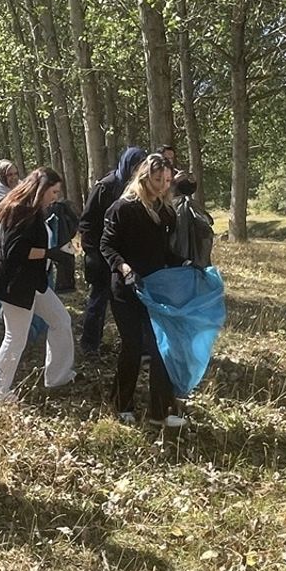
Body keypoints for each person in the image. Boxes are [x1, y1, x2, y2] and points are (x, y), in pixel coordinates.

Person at [101, 153, 189, 428]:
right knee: (133, 347)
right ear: (144, 177)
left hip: (155, 290)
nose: (163, 185)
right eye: (157, 179)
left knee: (161, 348)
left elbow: (162, 252)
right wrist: (123, 267)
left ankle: (159, 412)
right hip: (126, 290)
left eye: (166, 180)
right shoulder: (123, 208)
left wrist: (184, 263)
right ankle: (120, 403)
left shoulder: (164, 211)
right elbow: (107, 245)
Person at [0, 167, 76, 404]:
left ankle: (58, 377)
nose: (56, 196)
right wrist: (52, 253)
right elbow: (16, 252)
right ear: (40, 190)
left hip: (31, 281)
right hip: (13, 284)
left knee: (61, 320)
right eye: (53, 191)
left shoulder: (30, 209)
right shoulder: (21, 211)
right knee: (15, 338)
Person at [76, 148, 145, 356]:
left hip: (125, 257)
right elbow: (87, 222)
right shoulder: (105, 187)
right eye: (135, 166)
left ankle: (135, 344)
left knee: (133, 302)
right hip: (100, 255)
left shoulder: (137, 187)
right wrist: (94, 254)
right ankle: (89, 344)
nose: (137, 171)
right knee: (98, 301)